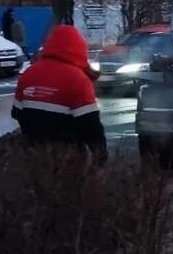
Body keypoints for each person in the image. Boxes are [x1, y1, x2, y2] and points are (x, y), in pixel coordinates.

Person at [11, 24, 106, 161]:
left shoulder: (28, 74)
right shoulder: (78, 79)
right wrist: (101, 158)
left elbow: (16, 113)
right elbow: (91, 126)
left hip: (33, 155)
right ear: (79, 49)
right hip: (66, 159)